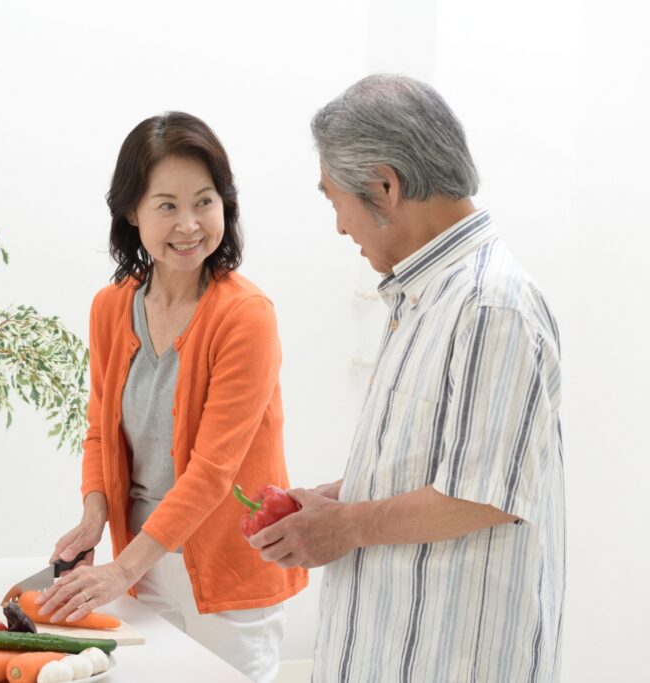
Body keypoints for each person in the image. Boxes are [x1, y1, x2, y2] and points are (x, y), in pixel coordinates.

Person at [248, 74, 565, 682]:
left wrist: (342, 527)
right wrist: (333, 499)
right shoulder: (426, 298)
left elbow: (484, 493)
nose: (341, 227)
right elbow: (433, 462)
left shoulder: (487, 304)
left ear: (384, 186)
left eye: (333, 198)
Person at [36, 112, 307, 682]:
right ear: (132, 212)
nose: (189, 224)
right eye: (166, 205)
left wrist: (117, 572)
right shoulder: (111, 307)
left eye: (204, 202)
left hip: (229, 566)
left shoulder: (245, 316)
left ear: (224, 207)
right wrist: (94, 515)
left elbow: (213, 470)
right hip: (144, 559)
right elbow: (100, 430)